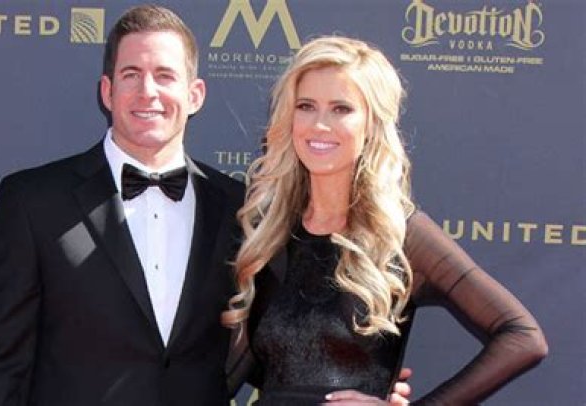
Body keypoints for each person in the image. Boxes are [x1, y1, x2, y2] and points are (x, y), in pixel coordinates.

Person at [0, 5, 412, 406]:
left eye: (165, 76)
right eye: (131, 74)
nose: (148, 92)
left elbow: (273, 347)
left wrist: (367, 380)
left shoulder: (241, 210)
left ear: (195, 95)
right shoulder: (33, 201)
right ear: (107, 91)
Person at [222, 36, 548, 405]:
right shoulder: (268, 231)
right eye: (306, 106)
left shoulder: (402, 234)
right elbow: (235, 370)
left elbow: (523, 337)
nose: (320, 124)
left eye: (341, 109)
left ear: (372, 124)